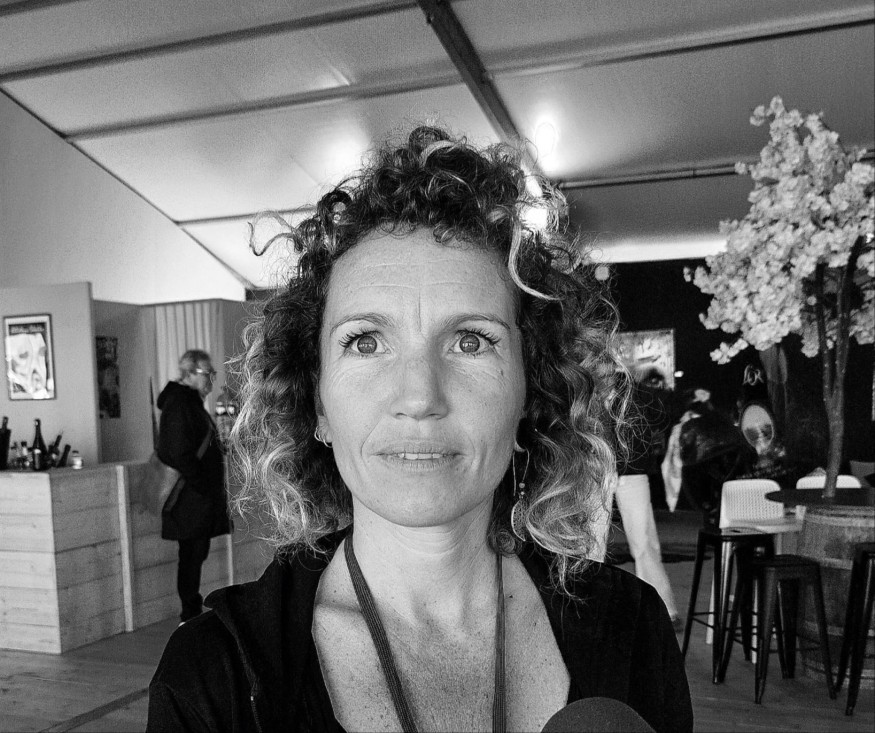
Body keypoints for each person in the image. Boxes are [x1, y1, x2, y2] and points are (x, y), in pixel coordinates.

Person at [147, 127, 692, 732]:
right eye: (366, 342)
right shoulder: (212, 681)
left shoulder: (632, 631)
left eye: (471, 341)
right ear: (317, 402)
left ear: (530, 391)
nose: (419, 397)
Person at [592, 370, 681, 631]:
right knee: (591, 542)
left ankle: (663, 609)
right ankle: (590, 610)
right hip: (595, 471)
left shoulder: (634, 391)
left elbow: (664, 413)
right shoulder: (583, 387)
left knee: (644, 541)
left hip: (631, 471)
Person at [156, 349, 230, 623]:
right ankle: (189, 615)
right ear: (188, 374)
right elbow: (179, 452)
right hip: (189, 498)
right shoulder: (180, 404)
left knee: (195, 554)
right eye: (206, 373)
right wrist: (203, 485)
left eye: (212, 373)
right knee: (191, 555)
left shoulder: (189, 403)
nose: (211, 379)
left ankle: (191, 612)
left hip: (195, 497)